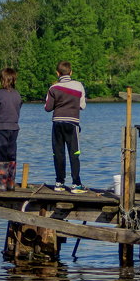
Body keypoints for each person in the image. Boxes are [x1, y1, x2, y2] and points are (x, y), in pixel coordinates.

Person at [44, 60, 86, 193]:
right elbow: (82, 106)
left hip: (57, 123)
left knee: (58, 153)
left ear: (57, 73)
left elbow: (48, 108)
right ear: (71, 72)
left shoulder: (53, 88)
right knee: (74, 153)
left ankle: (59, 183)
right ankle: (76, 184)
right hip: (72, 123)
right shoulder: (79, 86)